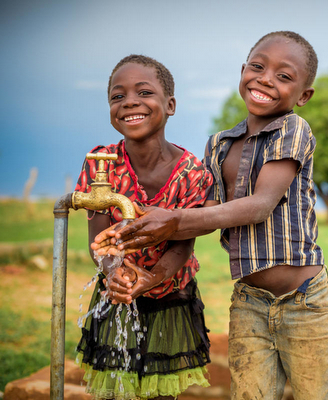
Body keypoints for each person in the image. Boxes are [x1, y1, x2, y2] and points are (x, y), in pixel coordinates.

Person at [96, 31, 328, 400]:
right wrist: (143, 227)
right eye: (257, 67)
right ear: (243, 71)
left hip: (303, 298)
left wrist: (172, 219)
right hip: (248, 300)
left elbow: (259, 206)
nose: (266, 79)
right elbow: (206, 215)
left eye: (284, 76)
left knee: (313, 394)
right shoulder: (220, 144)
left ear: (303, 96)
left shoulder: (293, 129)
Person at [75, 54, 213, 400]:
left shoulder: (192, 174)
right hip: (116, 294)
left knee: (161, 390)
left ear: (170, 105)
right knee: (113, 391)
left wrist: (152, 278)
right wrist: (115, 273)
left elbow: (183, 245)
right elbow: (99, 242)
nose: (130, 102)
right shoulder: (102, 166)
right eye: (117, 97)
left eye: (144, 92)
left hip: (171, 297)